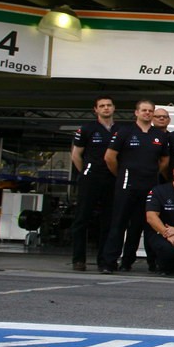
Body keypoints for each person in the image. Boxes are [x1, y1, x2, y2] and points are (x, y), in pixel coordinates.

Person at [100, 99, 167, 274]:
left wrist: (151, 172)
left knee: (142, 226)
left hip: (149, 185)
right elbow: (109, 157)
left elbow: (164, 161)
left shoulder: (159, 136)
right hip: (126, 184)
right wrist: (122, 174)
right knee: (118, 223)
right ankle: (109, 262)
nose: (147, 113)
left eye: (150, 111)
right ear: (136, 112)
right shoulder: (124, 132)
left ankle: (132, 262)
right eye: (144, 110)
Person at [69, 95, 116, 271]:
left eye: (109, 105)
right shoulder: (87, 129)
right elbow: (76, 155)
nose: (106, 108)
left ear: (113, 108)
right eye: (102, 106)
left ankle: (104, 260)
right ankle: (78, 259)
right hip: (91, 178)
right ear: (96, 109)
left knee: (108, 221)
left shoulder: (120, 129)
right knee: (82, 218)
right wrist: (86, 172)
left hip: (112, 178)